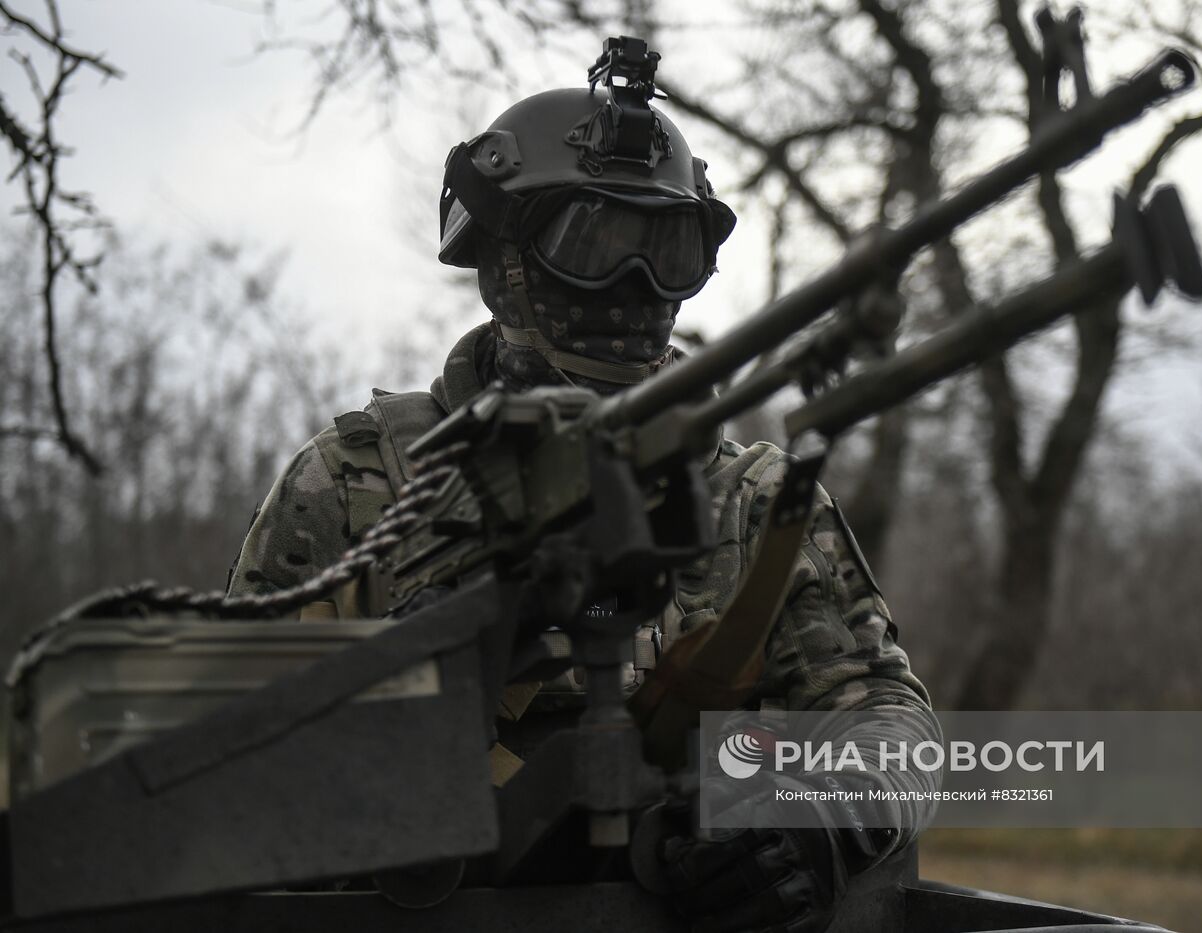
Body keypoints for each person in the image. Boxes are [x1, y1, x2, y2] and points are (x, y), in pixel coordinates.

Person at [227, 36, 936, 933]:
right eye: (595, 242)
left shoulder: (755, 503)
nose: (638, 286)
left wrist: (815, 821)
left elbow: (888, 725)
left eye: (669, 249)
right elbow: (220, 755)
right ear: (504, 265)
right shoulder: (358, 483)